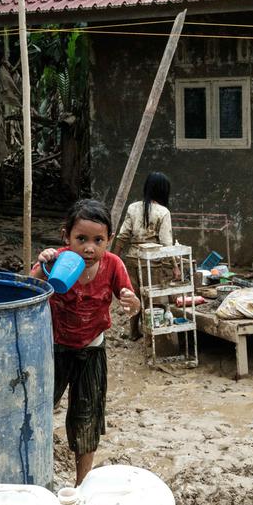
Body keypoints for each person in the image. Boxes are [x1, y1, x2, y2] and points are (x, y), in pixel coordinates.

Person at [30, 198, 140, 486]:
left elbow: (129, 295)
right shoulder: (57, 261)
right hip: (54, 348)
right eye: (81, 239)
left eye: (98, 240)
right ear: (66, 236)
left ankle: (82, 484)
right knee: (38, 409)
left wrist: (132, 302)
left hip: (92, 347)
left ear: (109, 240)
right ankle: (34, 477)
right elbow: (28, 290)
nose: (89, 248)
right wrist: (43, 266)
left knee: (87, 417)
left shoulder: (113, 265)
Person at [114, 172, 179, 339]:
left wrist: (114, 258)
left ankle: (134, 332)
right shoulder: (163, 212)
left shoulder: (133, 207)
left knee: (133, 295)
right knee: (153, 298)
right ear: (164, 191)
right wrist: (175, 266)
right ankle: (153, 336)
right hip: (152, 261)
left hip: (132, 258)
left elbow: (123, 236)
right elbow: (166, 243)